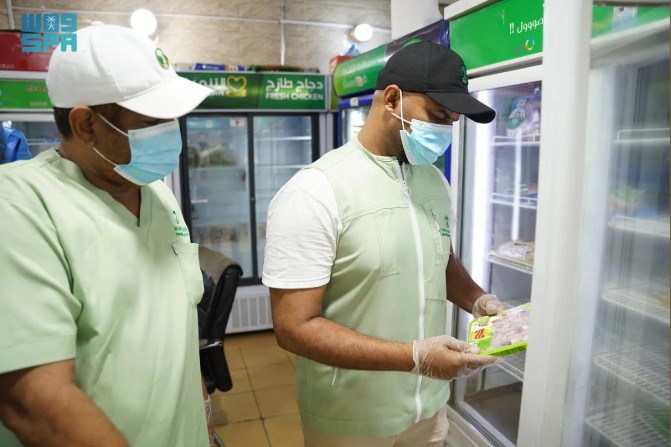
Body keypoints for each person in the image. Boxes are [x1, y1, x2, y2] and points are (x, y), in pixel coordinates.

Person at [263, 41, 507, 447]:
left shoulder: (434, 180)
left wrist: (480, 301)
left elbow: (439, 257)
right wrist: (414, 357)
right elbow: (293, 327)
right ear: (392, 99)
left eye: (452, 122)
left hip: (428, 410)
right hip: (350, 418)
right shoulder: (315, 191)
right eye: (438, 116)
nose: (445, 131)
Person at [0, 24, 214, 446]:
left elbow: (175, 323)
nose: (170, 132)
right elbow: (33, 402)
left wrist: (202, 409)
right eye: (152, 121)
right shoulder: (20, 206)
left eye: (172, 119)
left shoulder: (156, 193)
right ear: (86, 125)